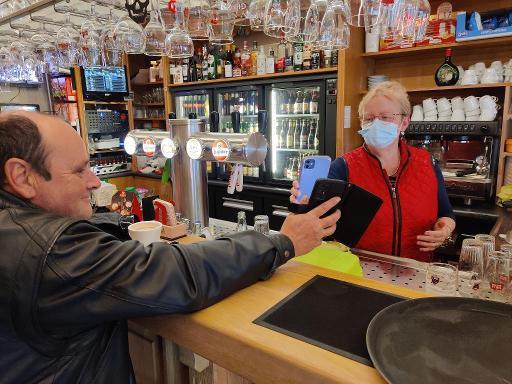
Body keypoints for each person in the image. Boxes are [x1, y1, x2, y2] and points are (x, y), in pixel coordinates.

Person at [0, 111, 341, 384]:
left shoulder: (18, 231)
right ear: (21, 176)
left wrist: (111, 226)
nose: (93, 181)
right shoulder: (47, 251)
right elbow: (179, 275)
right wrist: (282, 242)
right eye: (80, 170)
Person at [291, 81, 455, 262]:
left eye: (385, 117)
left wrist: (445, 230)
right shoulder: (343, 167)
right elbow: (319, 221)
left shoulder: (427, 163)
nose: (376, 123)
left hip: (418, 272)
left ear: (404, 122)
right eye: (369, 118)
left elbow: (446, 213)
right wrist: (302, 205)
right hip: (359, 271)